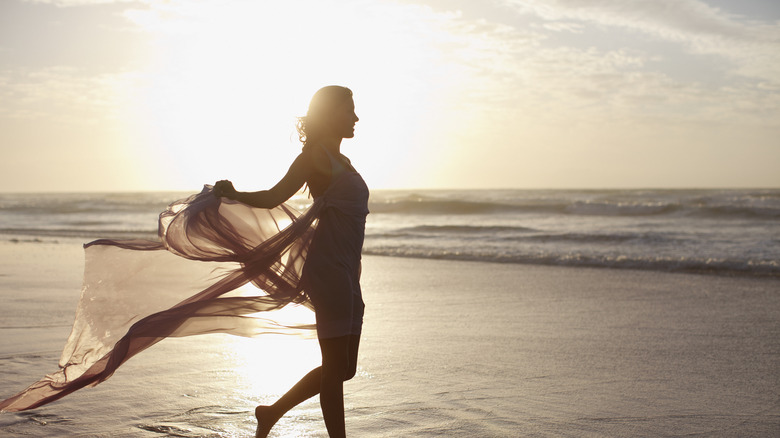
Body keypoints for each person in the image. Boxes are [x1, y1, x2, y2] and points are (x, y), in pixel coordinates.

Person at [213, 85, 367, 438]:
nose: (356, 117)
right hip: (328, 270)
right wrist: (234, 193)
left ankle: (270, 412)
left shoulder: (343, 160)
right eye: (349, 110)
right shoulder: (315, 157)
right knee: (334, 368)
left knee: (345, 369)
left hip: (347, 271)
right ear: (330, 115)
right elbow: (273, 197)